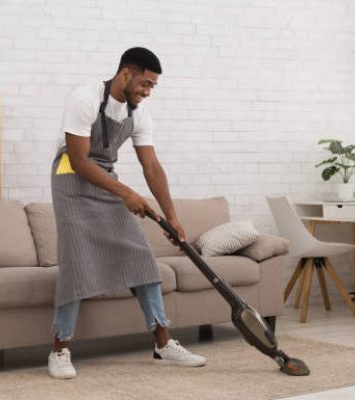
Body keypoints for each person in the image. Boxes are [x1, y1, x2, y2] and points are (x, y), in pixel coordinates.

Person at [48, 47, 206, 379]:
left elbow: (151, 166)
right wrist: (127, 193)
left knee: (141, 258)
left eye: (152, 87)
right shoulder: (84, 98)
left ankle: (163, 344)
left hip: (106, 180)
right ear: (125, 73)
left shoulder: (139, 113)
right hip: (71, 181)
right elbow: (78, 160)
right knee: (77, 262)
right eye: (145, 83)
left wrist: (172, 217)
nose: (147, 92)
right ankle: (59, 349)